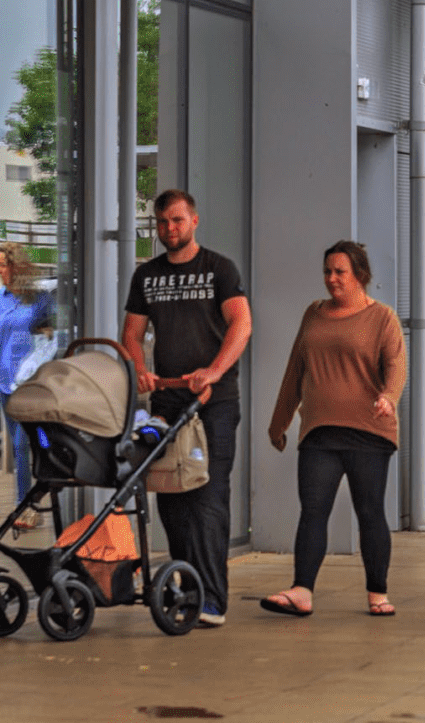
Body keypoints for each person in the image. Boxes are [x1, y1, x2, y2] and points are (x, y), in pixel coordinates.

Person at [122, 190, 252, 627]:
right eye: (161, 223)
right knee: (172, 499)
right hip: (166, 402)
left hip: (213, 403)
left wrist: (215, 370)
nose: (169, 230)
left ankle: (212, 600)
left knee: (207, 496)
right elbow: (132, 334)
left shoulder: (219, 268)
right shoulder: (147, 275)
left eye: (177, 221)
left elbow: (242, 323)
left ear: (194, 220)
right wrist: (139, 369)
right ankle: (185, 588)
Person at [262, 241, 406, 618]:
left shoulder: (382, 318)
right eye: (327, 271)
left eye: (340, 272)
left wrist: (389, 397)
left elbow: (395, 365)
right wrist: (280, 423)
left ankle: (378, 593)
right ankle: (301, 591)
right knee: (313, 510)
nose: (331, 279)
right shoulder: (314, 313)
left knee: (370, 511)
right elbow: (296, 370)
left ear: (360, 275)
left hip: (369, 431)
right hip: (320, 431)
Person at [0, 243, 53, 530]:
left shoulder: (40, 300)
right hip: (4, 384)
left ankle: (28, 504)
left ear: (17, 266)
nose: (0, 272)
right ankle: (28, 503)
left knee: (23, 445)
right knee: (21, 450)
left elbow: (57, 332)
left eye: (3, 266)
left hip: (30, 385)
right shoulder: (1, 298)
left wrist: (48, 330)